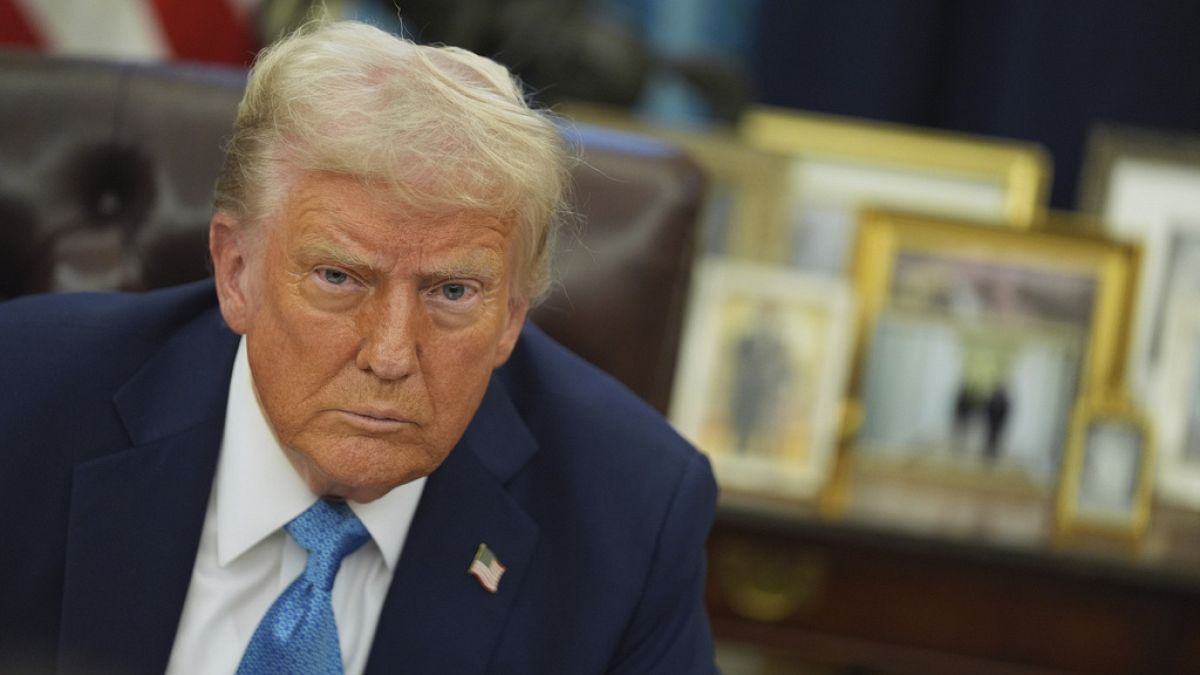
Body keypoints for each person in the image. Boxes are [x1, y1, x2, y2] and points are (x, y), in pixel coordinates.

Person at [0, 21, 718, 675]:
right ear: (236, 271)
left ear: (511, 314)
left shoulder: (630, 515)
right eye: (339, 277)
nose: (391, 353)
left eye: (453, 292)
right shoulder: (25, 397)